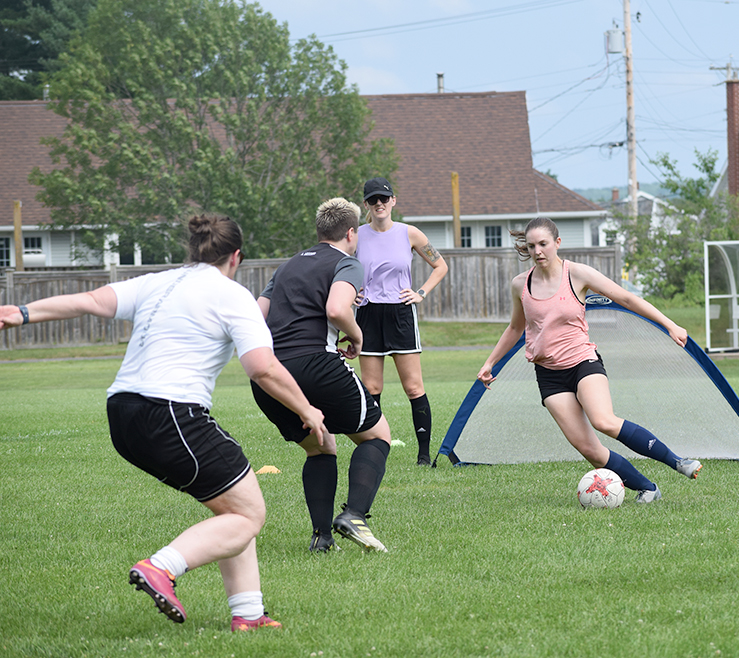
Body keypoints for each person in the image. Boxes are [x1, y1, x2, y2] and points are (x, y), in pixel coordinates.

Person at [0, 215, 327, 630]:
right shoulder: (233, 294)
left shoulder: (157, 282)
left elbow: (91, 301)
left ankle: (248, 614)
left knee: (234, 508)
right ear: (236, 257)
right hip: (170, 412)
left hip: (122, 413)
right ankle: (161, 568)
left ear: (194, 250)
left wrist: (23, 312)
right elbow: (262, 367)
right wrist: (306, 409)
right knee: (248, 516)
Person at [477, 217, 702, 504]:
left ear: (557, 243)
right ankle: (648, 489)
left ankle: (678, 462)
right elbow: (515, 328)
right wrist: (490, 362)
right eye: (532, 246)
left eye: (543, 244)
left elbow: (626, 298)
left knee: (604, 421)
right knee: (590, 450)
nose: (538, 251)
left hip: (583, 362)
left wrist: (669, 324)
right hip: (549, 375)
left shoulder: (577, 274)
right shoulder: (520, 284)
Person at [253, 198, 391, 553]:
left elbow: (256, 316)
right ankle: (354, 515)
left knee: (321, 446)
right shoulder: (347, 262)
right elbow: (336, 308)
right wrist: (357, 337)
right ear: (351, 233)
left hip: (269, 376)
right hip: (315, 364)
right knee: (378, 436)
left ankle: (322, 538)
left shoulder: (287, 266)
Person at [356, 177, 449, 466]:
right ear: (366, 204)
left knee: (413, 388)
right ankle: (375, 453)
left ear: (393, 201)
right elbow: (338, 267)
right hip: (368, 314)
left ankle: (423, 456)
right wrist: (350, 291)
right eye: (373, 200)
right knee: (372, 388)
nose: (379, 204)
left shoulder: (410, 234)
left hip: (400, 313)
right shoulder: (356, 236)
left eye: (384, 198)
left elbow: (440, 265)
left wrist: (421, 292)